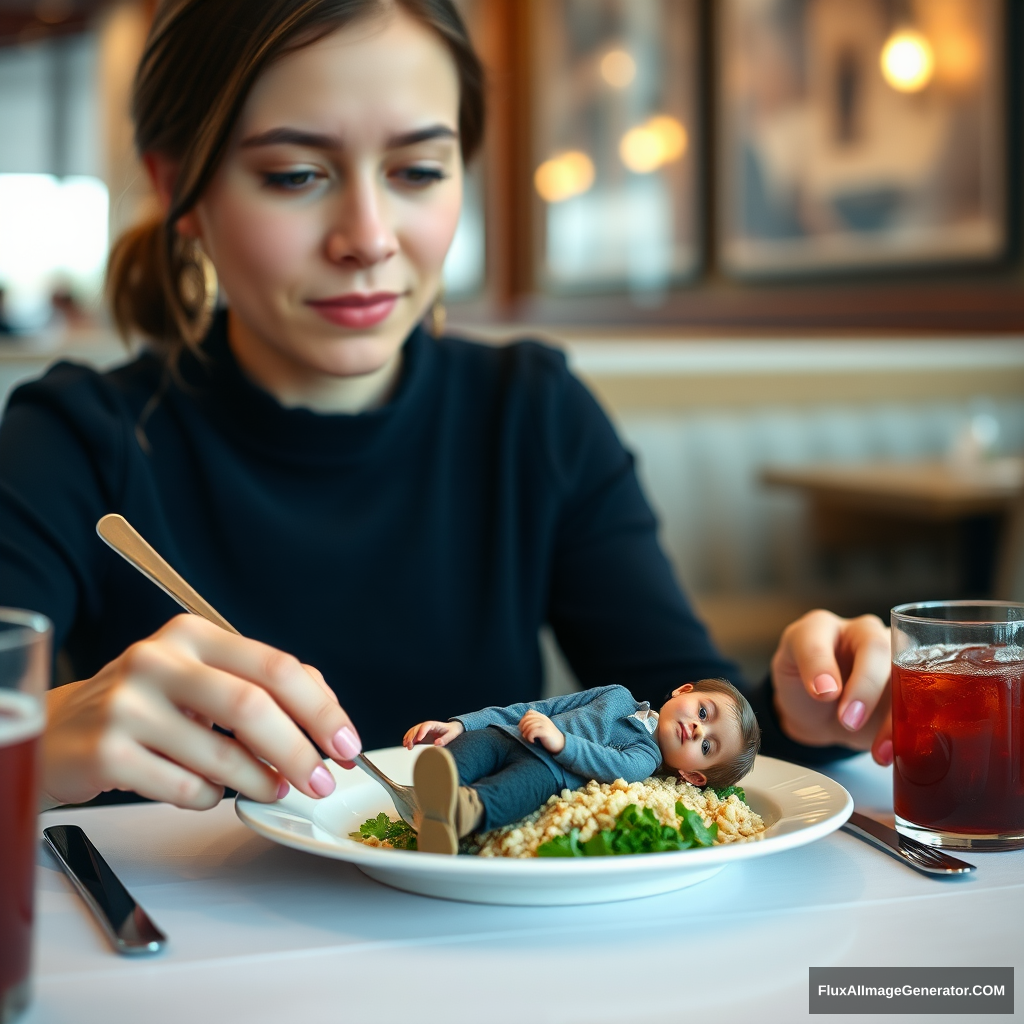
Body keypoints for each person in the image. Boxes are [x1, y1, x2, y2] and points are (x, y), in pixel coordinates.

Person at [0, 0, 892, 817]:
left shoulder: (533, 417)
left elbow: (666, 714)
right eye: (296, 174)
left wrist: (811, 709)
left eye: (418, 169)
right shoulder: (73, 440)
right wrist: (35, 745)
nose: (370, 238)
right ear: (175, 190)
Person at [404, 678, 759, 854]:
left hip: (548, 771)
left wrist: (562, 743)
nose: (698, 728)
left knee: (516, 792)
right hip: (510, 735)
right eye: (703, 712)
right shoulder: (617, 694)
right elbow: (543, 705)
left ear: (692, 776)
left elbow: (609, 764)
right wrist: (463, 724)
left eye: (708, 745)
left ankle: (461, 813)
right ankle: (436, 786)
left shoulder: (645, 757)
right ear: (683, 691)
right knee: (472, 747)